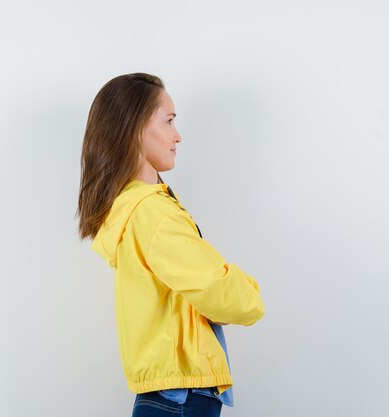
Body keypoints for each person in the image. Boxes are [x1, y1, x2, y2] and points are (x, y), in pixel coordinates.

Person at [76, 73, 265, 417]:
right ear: (135, 130)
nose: (177, 136)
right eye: (169, 121)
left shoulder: (132, 208)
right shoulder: (154, 212)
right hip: (181, 398)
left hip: (167, 396)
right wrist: (250, 292)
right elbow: (221, 290)